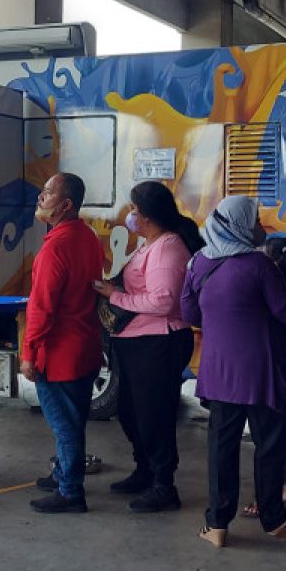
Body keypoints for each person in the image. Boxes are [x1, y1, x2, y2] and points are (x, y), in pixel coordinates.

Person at [181, 196, 286, 547]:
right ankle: (274, 520)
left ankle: (217, 526)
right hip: (261, 371)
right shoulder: (260, 265)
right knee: (269, 445)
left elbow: (191, 315)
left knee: (221, 447)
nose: (259, 227)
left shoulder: (199, 262)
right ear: (240, 225)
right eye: (254, 220)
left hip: (218, 371)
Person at [92, 181, 203, 513]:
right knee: (130, 410)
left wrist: (115, 296)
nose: (130, 215)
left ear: (148, 215)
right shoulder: (147, 244)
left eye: (135, 210)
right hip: (135, 341)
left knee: (154, 414)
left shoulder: (167, 247)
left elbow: (164, 300)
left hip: (158, 341)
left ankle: (163, 484)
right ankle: (144, 469)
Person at [23, 172, 105, 514]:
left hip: (59, 356)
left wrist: (29, 354)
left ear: (66, 205)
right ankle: (63, 474)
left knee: (64, 424)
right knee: (72, 421)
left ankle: (71, 491)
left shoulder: (55, 248)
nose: (41, 198)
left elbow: (41, 309)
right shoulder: (87, 238)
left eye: (48, 193)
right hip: (85, 348)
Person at [241, 236, 286, 519]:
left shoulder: (269, 293)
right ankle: (285, 488)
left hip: (271, 370)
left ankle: (269, 495)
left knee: (267, 436)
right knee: (285, 429)